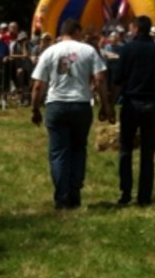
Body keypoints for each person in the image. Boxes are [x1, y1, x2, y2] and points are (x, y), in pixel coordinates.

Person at [30, 19, 112, 210]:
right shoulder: (88, 50)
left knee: (58, 152)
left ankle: (62, 197)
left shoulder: (50, 51)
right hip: (80, 104)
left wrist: (35, 109)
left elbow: (38, 85)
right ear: (76, 31)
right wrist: (105, 105)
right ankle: (75, 191)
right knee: (78, 149)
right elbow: (100, 79)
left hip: (56, 104)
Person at [114, 15, 155, 206]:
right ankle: (144, 196)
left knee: (126, 149)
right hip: (151, 103)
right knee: (148, 153)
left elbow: (117, 80)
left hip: (131, 103)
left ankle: (125, 193)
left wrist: (110, 104)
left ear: (135, 29)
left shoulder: (126, 50)